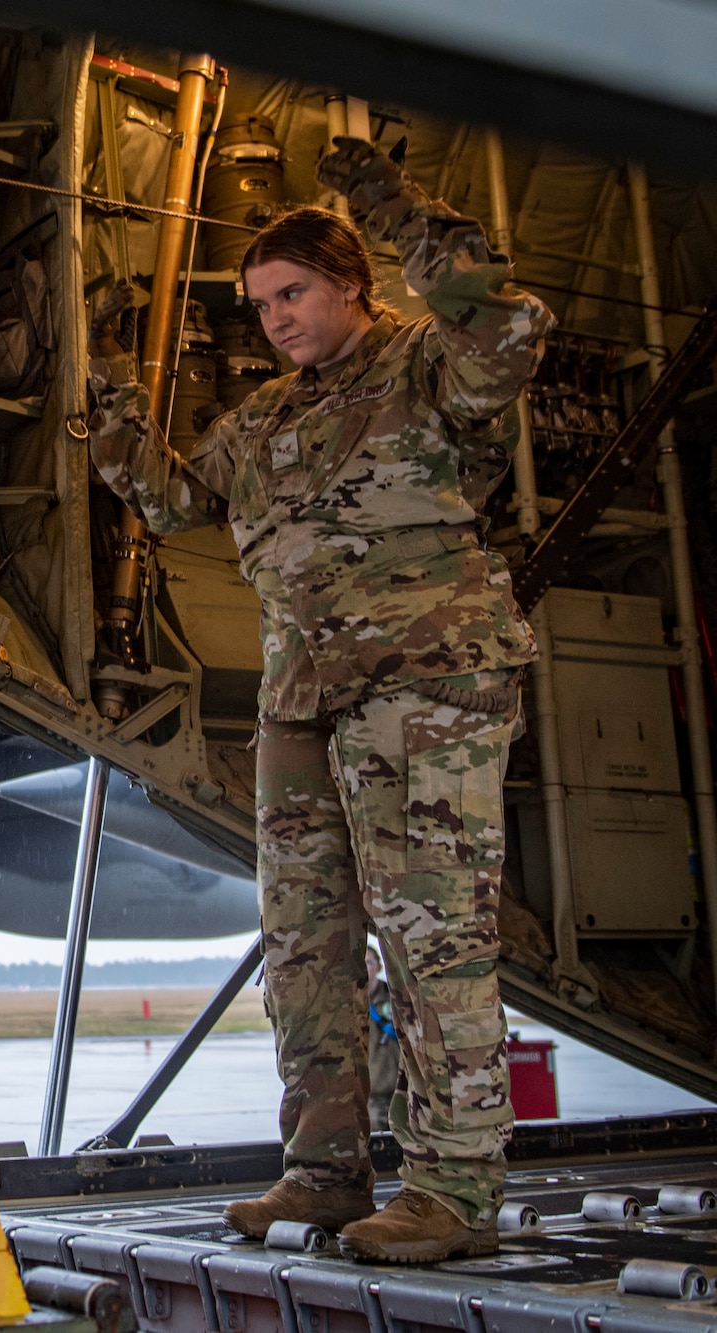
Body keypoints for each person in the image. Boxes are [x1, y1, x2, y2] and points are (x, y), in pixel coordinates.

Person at [88, 137, 552, 1262]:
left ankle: (451, 1189)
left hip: (425, 687)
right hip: (301, 699)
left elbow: (508, 326)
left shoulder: (425, 372)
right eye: (258, 305)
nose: (274, 318)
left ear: (351, 283)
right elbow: (173, 496)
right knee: (305, 942)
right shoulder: (263, 423)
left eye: (292, 293)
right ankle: (324, 1168)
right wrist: (100, 397)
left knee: (430, 937)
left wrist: (395, 211)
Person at [366, 944, 400, 1133]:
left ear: (378, 967)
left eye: (369, 962)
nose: (364, 968)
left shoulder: (395, 997)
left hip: (401, 1092)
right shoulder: (349, 1002)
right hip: (370, 1096)